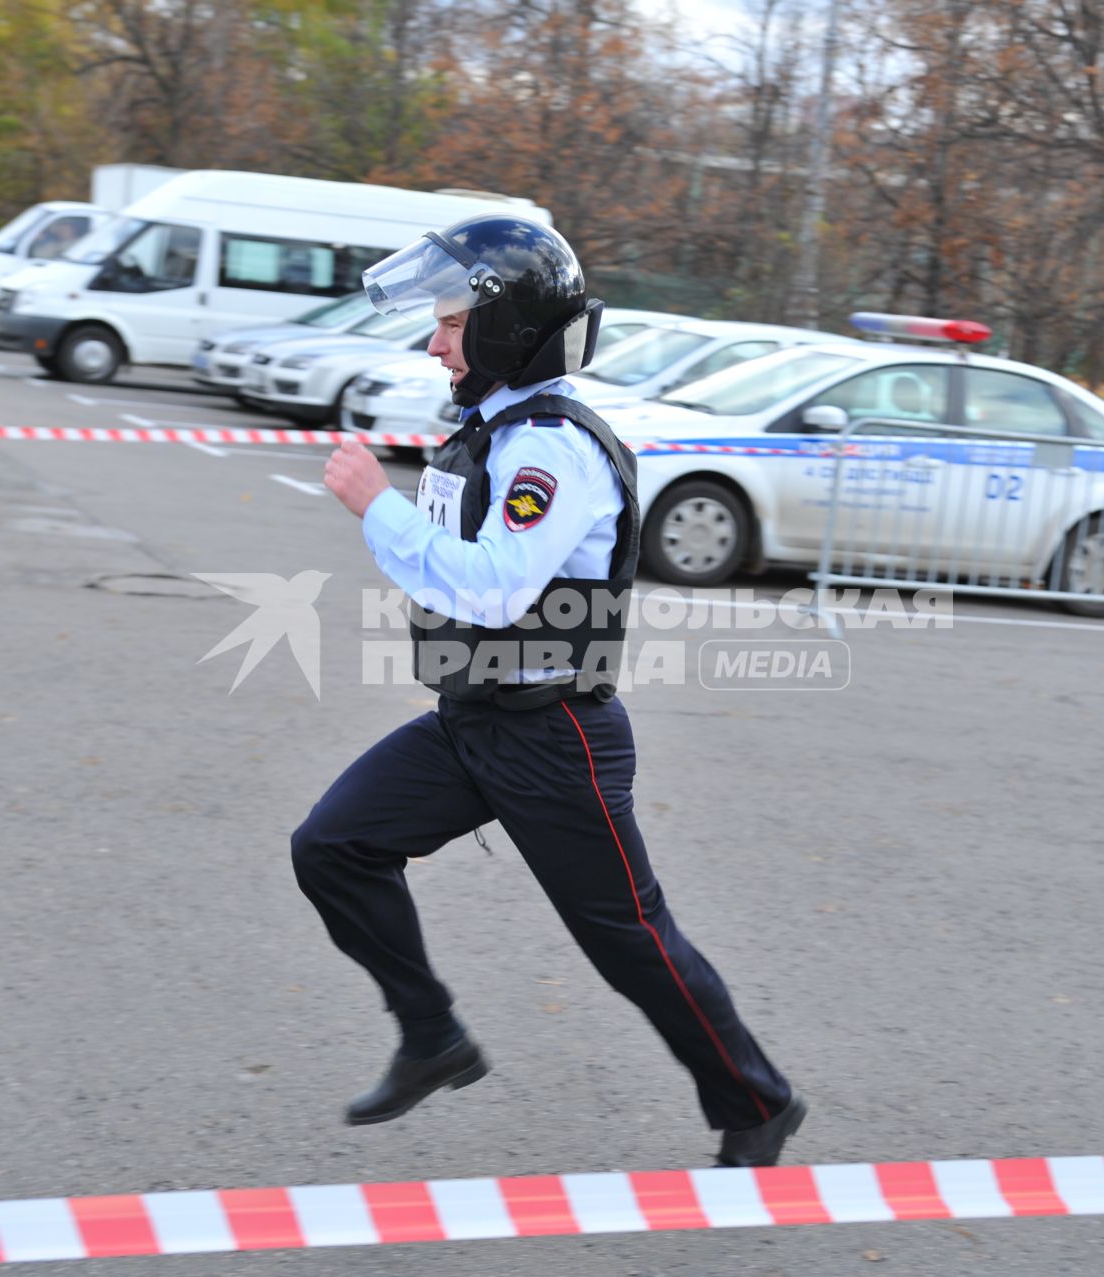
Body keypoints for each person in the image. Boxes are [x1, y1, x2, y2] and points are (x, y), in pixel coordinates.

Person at [297, 214, 805, 1168]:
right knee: (332, 845)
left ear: (503, 328)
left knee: (628, 939)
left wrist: (377, 505)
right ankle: (431, 1037)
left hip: (553, 732)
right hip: (473, 718)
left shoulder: (552, 452)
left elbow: (489, 585)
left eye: (450, 323)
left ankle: (756, 1098)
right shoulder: (493, 428)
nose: (435, 341)